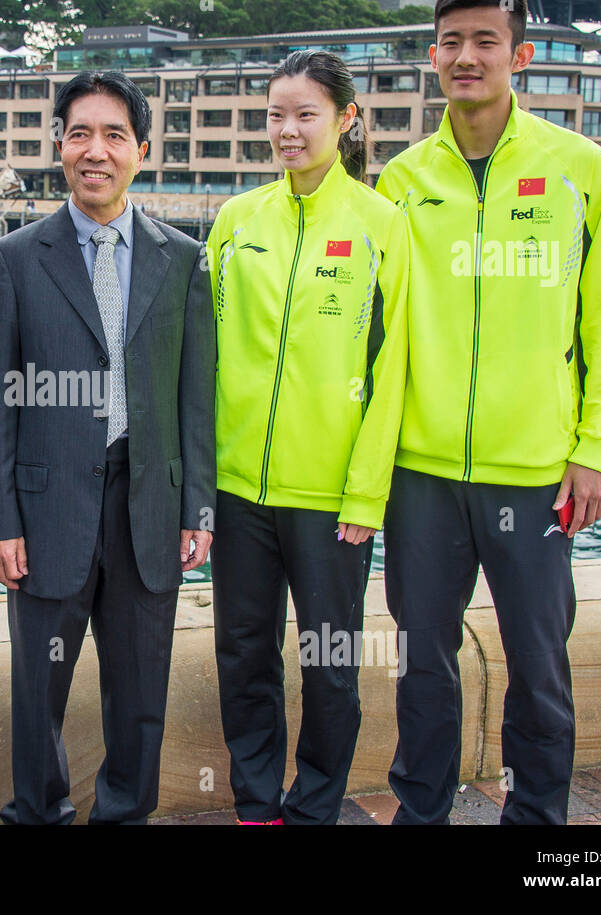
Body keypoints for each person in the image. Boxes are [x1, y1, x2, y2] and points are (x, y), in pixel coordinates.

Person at [375, 0, 601, 825]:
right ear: (433, 56)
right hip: (420, 471)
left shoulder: (579, 171)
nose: (466, 56)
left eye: (486, 41)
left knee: (538, 664)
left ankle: (538, 827)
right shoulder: (402, 182)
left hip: (535, 470)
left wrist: (594, 445)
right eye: (450, 42)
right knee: (422, 662)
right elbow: (379, 335)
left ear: (518, 55)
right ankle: (422, 813)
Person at [0, 70, 216, 825]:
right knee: (36, 690)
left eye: (114, 135)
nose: (96, 150)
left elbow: (196, 396)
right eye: (80, 132)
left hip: (149, 504)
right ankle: (38, 812)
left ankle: (123, 814)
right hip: (47, 510)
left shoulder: (182, 259)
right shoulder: (13, 258)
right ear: (59, 146)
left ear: (142, 149)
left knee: (141, 691)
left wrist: (197, 507)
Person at [206, 50, 409, 825]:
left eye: (306, 115)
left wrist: (367, 488)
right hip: (238, 488)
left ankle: (316, 802)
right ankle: (257, 801)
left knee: (330, 665)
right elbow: (209, 355)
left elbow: (394, 367)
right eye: (274, 115)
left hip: (332, 496)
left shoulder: (382, 225)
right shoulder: (237, 221)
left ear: (346, 119)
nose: (287, 131)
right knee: (245, 655)